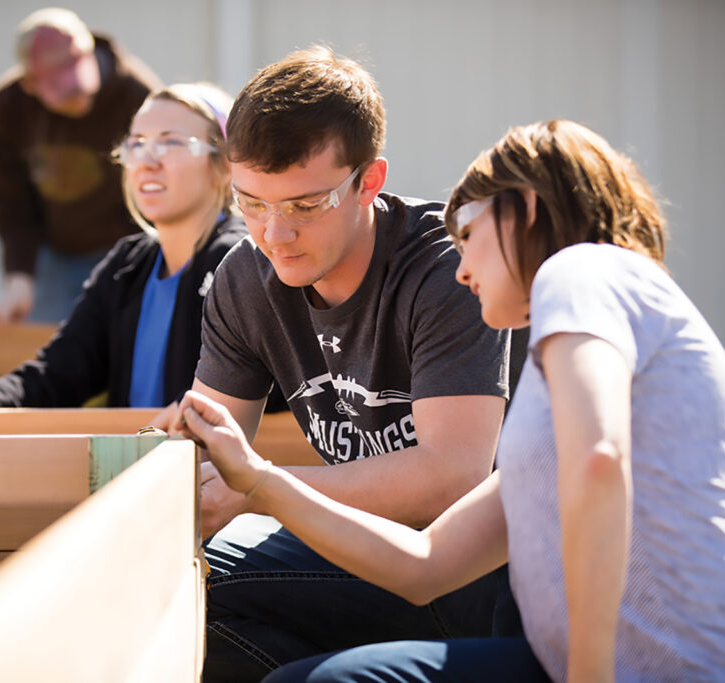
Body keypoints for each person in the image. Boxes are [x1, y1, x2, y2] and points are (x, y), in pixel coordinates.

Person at [175, 119, 725, 681]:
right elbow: (423, 567)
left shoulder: (584, 270)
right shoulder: (545, 405)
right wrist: (258, 481)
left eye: (466, 234)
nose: (460, 269)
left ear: (527, 211)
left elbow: (598, 459)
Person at [166, 47, 517, 681]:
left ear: (369, 180)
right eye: (251, 203)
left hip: (483, 578)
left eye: (304, 206)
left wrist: (258, 489)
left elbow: (449, 480)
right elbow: (212, 451)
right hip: (352, 550)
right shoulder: (244, 278)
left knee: (208, 593)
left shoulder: (448, 270)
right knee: (175, 593)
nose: (275, 234)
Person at [0, 82, 242, 435]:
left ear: (226, 166)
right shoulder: (126, 267)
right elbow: (54, 377)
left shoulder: (241, 261)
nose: (147, 161)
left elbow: (269, 382)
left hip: (214, 485)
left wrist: (194, 408)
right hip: (138, 480)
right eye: (137, 144)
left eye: (172, 143)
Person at [0, 7, 161, 324]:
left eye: (77, 79)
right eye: (62, 91)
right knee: (51, 354)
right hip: (55, 253)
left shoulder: (139, 98)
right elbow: (12, 203)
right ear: (30, 83)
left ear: (89, 50)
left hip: (129, 247)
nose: (76, 97)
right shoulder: (6, 112)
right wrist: (19, 279)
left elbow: (159, 188)